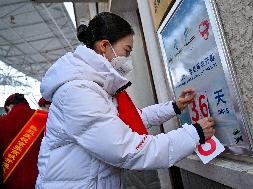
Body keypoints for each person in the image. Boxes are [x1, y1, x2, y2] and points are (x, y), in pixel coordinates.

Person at [36, 12, 215, 189]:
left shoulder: (94, 86)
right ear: (104, 45)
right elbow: (128, 150)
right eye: (126, 50)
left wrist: (174, 107)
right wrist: (194, 134)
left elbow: (136, 118)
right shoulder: (78, 91)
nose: (127, 60)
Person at [0, 93, 48, 189]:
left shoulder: (2, 122)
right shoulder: (45, 117)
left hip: (10, 182)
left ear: (9, 107)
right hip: (43, 181)